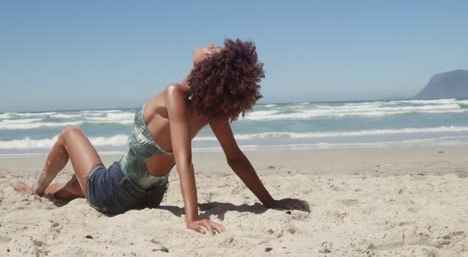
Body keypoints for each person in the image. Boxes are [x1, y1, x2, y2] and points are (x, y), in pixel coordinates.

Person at [14, 39, 309, 234]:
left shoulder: (174, 95)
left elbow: (184, 159)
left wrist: (191, 218)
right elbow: (235, 158)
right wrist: (269, 201)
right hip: (149, 196)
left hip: (115, 191)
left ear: (209, 68)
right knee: (73, 187)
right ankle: (55, 192)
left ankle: (36, 191)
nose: (210, 45)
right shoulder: (210, 110)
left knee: (70, 133)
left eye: (214, 51)